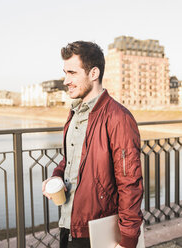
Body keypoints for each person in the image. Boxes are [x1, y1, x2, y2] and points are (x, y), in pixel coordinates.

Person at [42, 41, 143, 248]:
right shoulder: (76, 113)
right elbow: (71, 158)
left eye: (72, 73)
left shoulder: (118, 117)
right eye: (65, 73)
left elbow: (130, 182)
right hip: (69, 222)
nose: (66, 80)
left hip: (97, 227)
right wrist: (57, 175)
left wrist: (128, 240)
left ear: (94, 73)